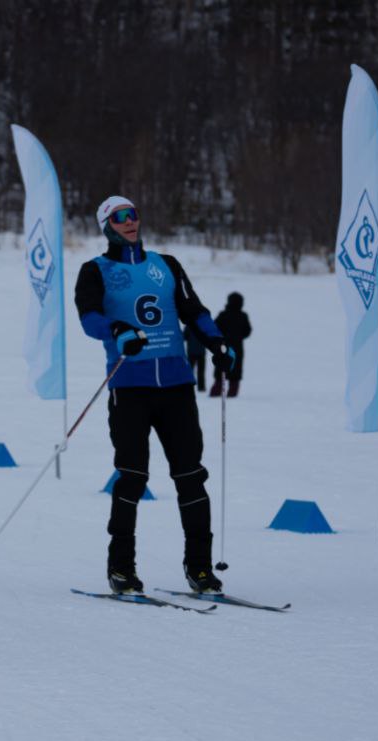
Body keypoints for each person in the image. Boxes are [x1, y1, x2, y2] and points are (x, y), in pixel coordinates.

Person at [74, 196, 236, 594]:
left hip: (177, 387)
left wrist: (216, 342)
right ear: (107, 226)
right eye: (120, 217)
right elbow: (89, 317)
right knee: (132, 477)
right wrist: (116, 331)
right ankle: (121, 569)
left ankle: (199, 569)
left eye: (134, 215)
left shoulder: (166, 264)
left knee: (191, 476)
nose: (130, 222)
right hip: (130, 387)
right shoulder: (95, 270)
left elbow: (193, 311)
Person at [210, 292, 252, 398]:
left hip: (224, 347)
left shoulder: (223, 315)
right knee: (235, 374)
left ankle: (215, 394)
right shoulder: (243, 316)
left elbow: (214, 329)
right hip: (237, 347)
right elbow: (247, 331)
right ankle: (231, 395)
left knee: (221, 372)